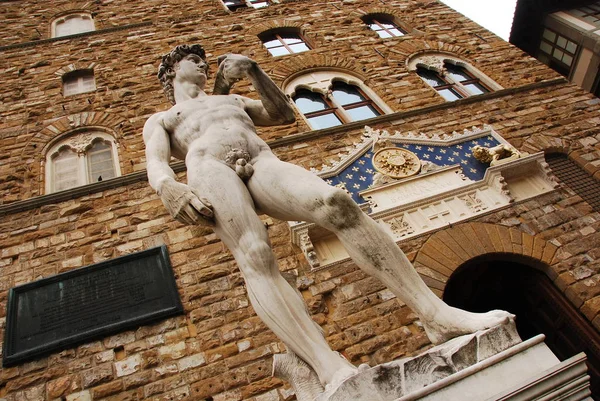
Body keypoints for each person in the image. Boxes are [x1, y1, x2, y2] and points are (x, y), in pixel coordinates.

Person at [143, 44, 512, 387]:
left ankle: (437, 316)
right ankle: (325, 363)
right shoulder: (163, 118)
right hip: (209, 168)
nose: (204, 65)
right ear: (173, 70)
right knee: (255, 255)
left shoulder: (232, 98)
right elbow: (155, 161)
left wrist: (254, 71)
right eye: (195, 60)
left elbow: (283, 114)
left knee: (336, 203)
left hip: (261, 158)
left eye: (206, 61)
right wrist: (167, 187)